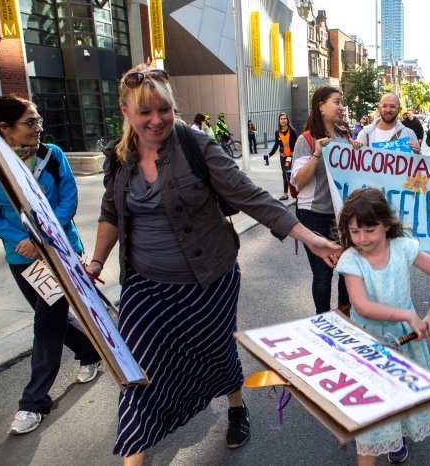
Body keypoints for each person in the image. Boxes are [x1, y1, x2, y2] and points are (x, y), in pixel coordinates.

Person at [87, 64, 342, 464]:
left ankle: (236, 406)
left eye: (164, 110)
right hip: (143, 283)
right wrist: (97, 260)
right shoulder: (119, 157)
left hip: (208, 280)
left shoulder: (196, 146)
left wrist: (312, 239)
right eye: (145, 112)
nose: (156, 120)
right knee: (133, 368)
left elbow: (250, 196)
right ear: (125, 111)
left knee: (216, 350)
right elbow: (110, 212)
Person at [0, 95, 102, 435]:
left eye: (39, 120)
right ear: (4, 129)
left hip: (60, 251)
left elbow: (68, 199)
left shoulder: (52, 156)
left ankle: (33, 401)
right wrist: (22, 240)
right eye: (30, 122)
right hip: (21, 256)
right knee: (53, 317)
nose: (39, 127)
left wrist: (43, 238)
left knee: (46, 322)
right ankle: (90, 351)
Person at [334, 187, 430, 466]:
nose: (362, 239)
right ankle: (383, 439)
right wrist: (407, 316)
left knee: (399, 400)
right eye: (354, 231)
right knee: (370, 431)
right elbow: (362, 306)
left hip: (405, 345)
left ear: (386, 224)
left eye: (369, 230)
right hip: (368, 349)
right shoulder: (351, 260)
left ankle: (396, 436)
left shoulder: (403, 247)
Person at [289, 85, 352, 315]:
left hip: (341, 215)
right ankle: (323, 321)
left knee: (346, 269)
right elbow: (299, 181)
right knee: (323, 273)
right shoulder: (305, 139)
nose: (341, 107)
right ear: (321, 106)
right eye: (336, 102)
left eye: (341, 102)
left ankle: (345, 316)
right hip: (313, 214)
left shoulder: (345, 137)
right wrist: (317, 153)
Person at [356, 93, 421, 153]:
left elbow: (417, 163)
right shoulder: (365, 134)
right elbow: (357, 161)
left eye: (392, 106)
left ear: (399, 110)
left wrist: (418, 153)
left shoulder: (409, 134)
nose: (388, 110)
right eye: (384, 106)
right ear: (379, 108)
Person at [266, 112, 297, 200]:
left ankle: (291, 193)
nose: (283, 120)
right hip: (282, 157)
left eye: (284, 118)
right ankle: (286, 194)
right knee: (285, 174)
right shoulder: (277, 132)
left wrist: (295, 154)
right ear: (279, 121)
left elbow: (296, 144)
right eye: (281, 119)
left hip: (290, 157)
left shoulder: (292, 131)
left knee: (287, 173)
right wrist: (269, 155)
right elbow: (276, 145)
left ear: (287, 120)